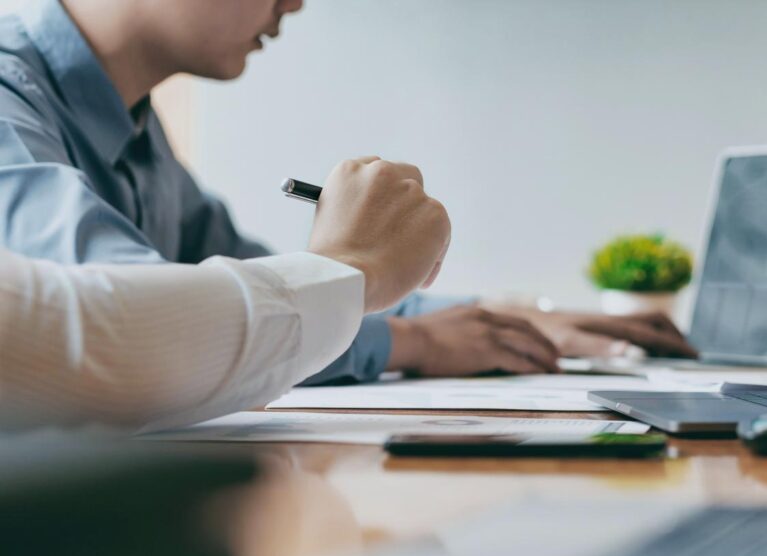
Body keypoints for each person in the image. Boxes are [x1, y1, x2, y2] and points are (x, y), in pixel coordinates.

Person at [0, 0, 696, 385]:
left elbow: (242, 282)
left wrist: (503, 319)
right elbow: (140, 331)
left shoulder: (137, 135)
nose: (299, 2)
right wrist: (397, 325)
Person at [0, 156, 454, 432]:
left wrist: (485, 315)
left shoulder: (141, 136)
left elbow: (241, 267)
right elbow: (131, 339)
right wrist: (354, 270)